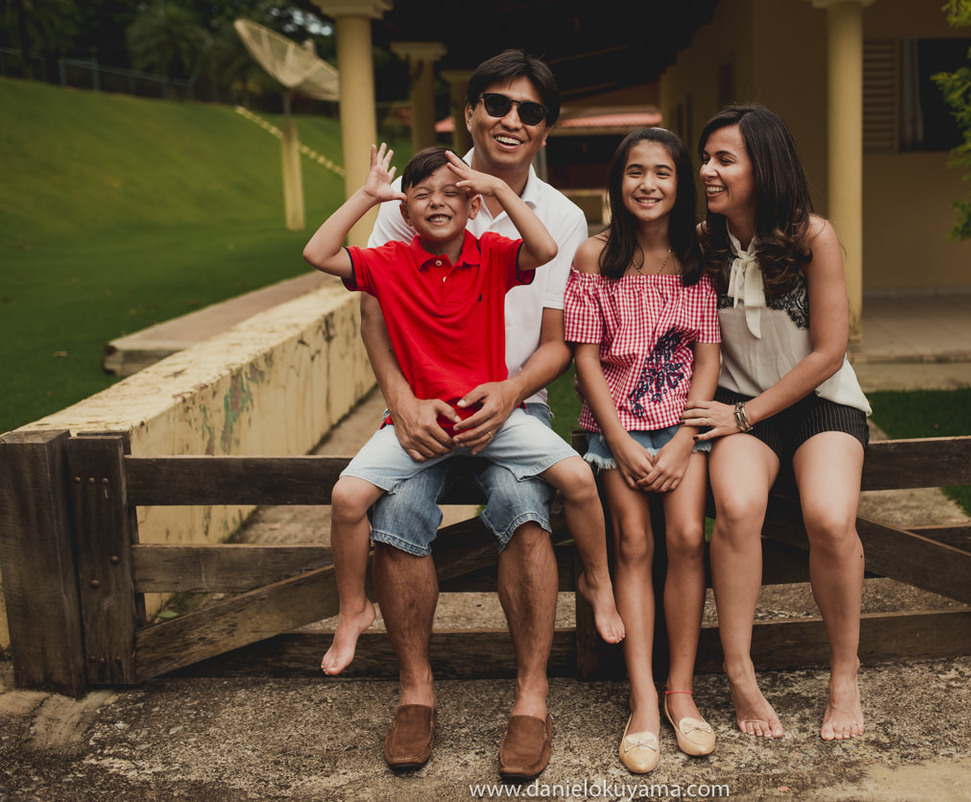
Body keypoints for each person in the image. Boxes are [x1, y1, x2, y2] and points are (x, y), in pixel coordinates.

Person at [303, 143, 623, 695]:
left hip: (491, 416)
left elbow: (543, 247)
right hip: (421, 422)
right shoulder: (388, 263)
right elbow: (318, 252)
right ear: (405, 213)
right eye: (421, 194)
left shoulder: (493, 254)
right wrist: (368, 194)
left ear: (472, 205)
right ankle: (354, 609)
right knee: (346, 499)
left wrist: (496, 187)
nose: (436, 202)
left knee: (577, 479)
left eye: (452, 192)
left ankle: (599, 582)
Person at [358, 50, 589, 779]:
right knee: (394, 506)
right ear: (470, 114)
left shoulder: (561, 216)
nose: (510, 120)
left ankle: (531, 695)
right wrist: (399, 399)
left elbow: (556, 344)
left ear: (546, 128)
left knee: (525, 502)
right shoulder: (418, 191)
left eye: (529, 111)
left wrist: (510, 393)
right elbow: (372, 311)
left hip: (514, 397)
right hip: (420, 397)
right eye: (497, 104)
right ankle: (416, 690)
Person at [682, 105, 873, 742]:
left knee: (829, 517)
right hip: (740, 402)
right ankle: (739, 672)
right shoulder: (703, 243)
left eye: (724, 160)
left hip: (819, 402)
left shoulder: (812, 236)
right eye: (706, 158)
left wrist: (745, 415)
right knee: (736, 508)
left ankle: (844, 674)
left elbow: (829, 351)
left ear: (764, 168)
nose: (707, 170)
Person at [565, 128, 720, 773]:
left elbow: (708, 356)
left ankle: (681, 691)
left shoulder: (697, 258)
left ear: (680, 185)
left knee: (686, 537)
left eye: (662, 173)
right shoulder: (593, 258)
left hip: (682, 425)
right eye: (635, 172)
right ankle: (643, 704)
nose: (648, 185)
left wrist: (686, 438)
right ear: (618, 181)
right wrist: (620, 440)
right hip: (614, 428)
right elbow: (584, 358)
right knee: (634, 543)